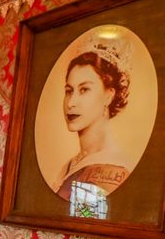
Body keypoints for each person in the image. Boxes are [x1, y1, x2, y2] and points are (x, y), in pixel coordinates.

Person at [51, 34, 133, 201]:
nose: (71, 103)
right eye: (69, 91)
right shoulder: (71, 164)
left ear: (109, 96)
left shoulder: (110, 170)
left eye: (84, 90)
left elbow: (84, 221)